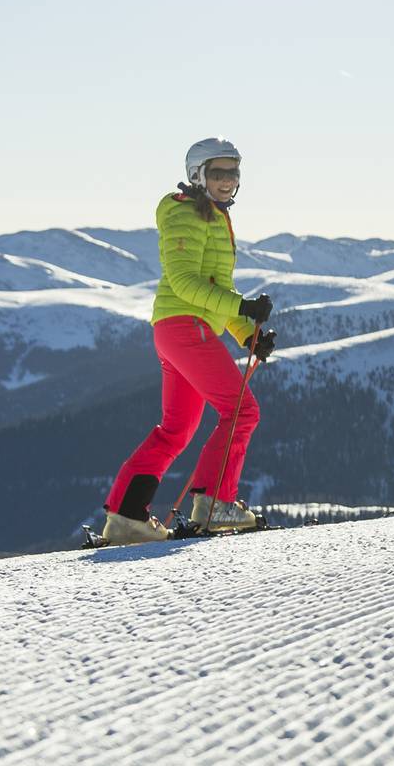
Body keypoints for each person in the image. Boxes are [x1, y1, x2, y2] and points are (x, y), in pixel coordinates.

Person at [100, 138, 278, 545]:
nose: (228, 181)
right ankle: (217, 502)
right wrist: (243, 305)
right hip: (185, 326)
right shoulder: (185, 212)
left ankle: (127, 517)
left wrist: (248, 334)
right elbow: (184, 282)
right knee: (242, 411)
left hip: (178, 329)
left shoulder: (214, 216)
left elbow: (216, 288)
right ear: (198, 174)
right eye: (218, 172)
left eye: (234, 172)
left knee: (176, 431)